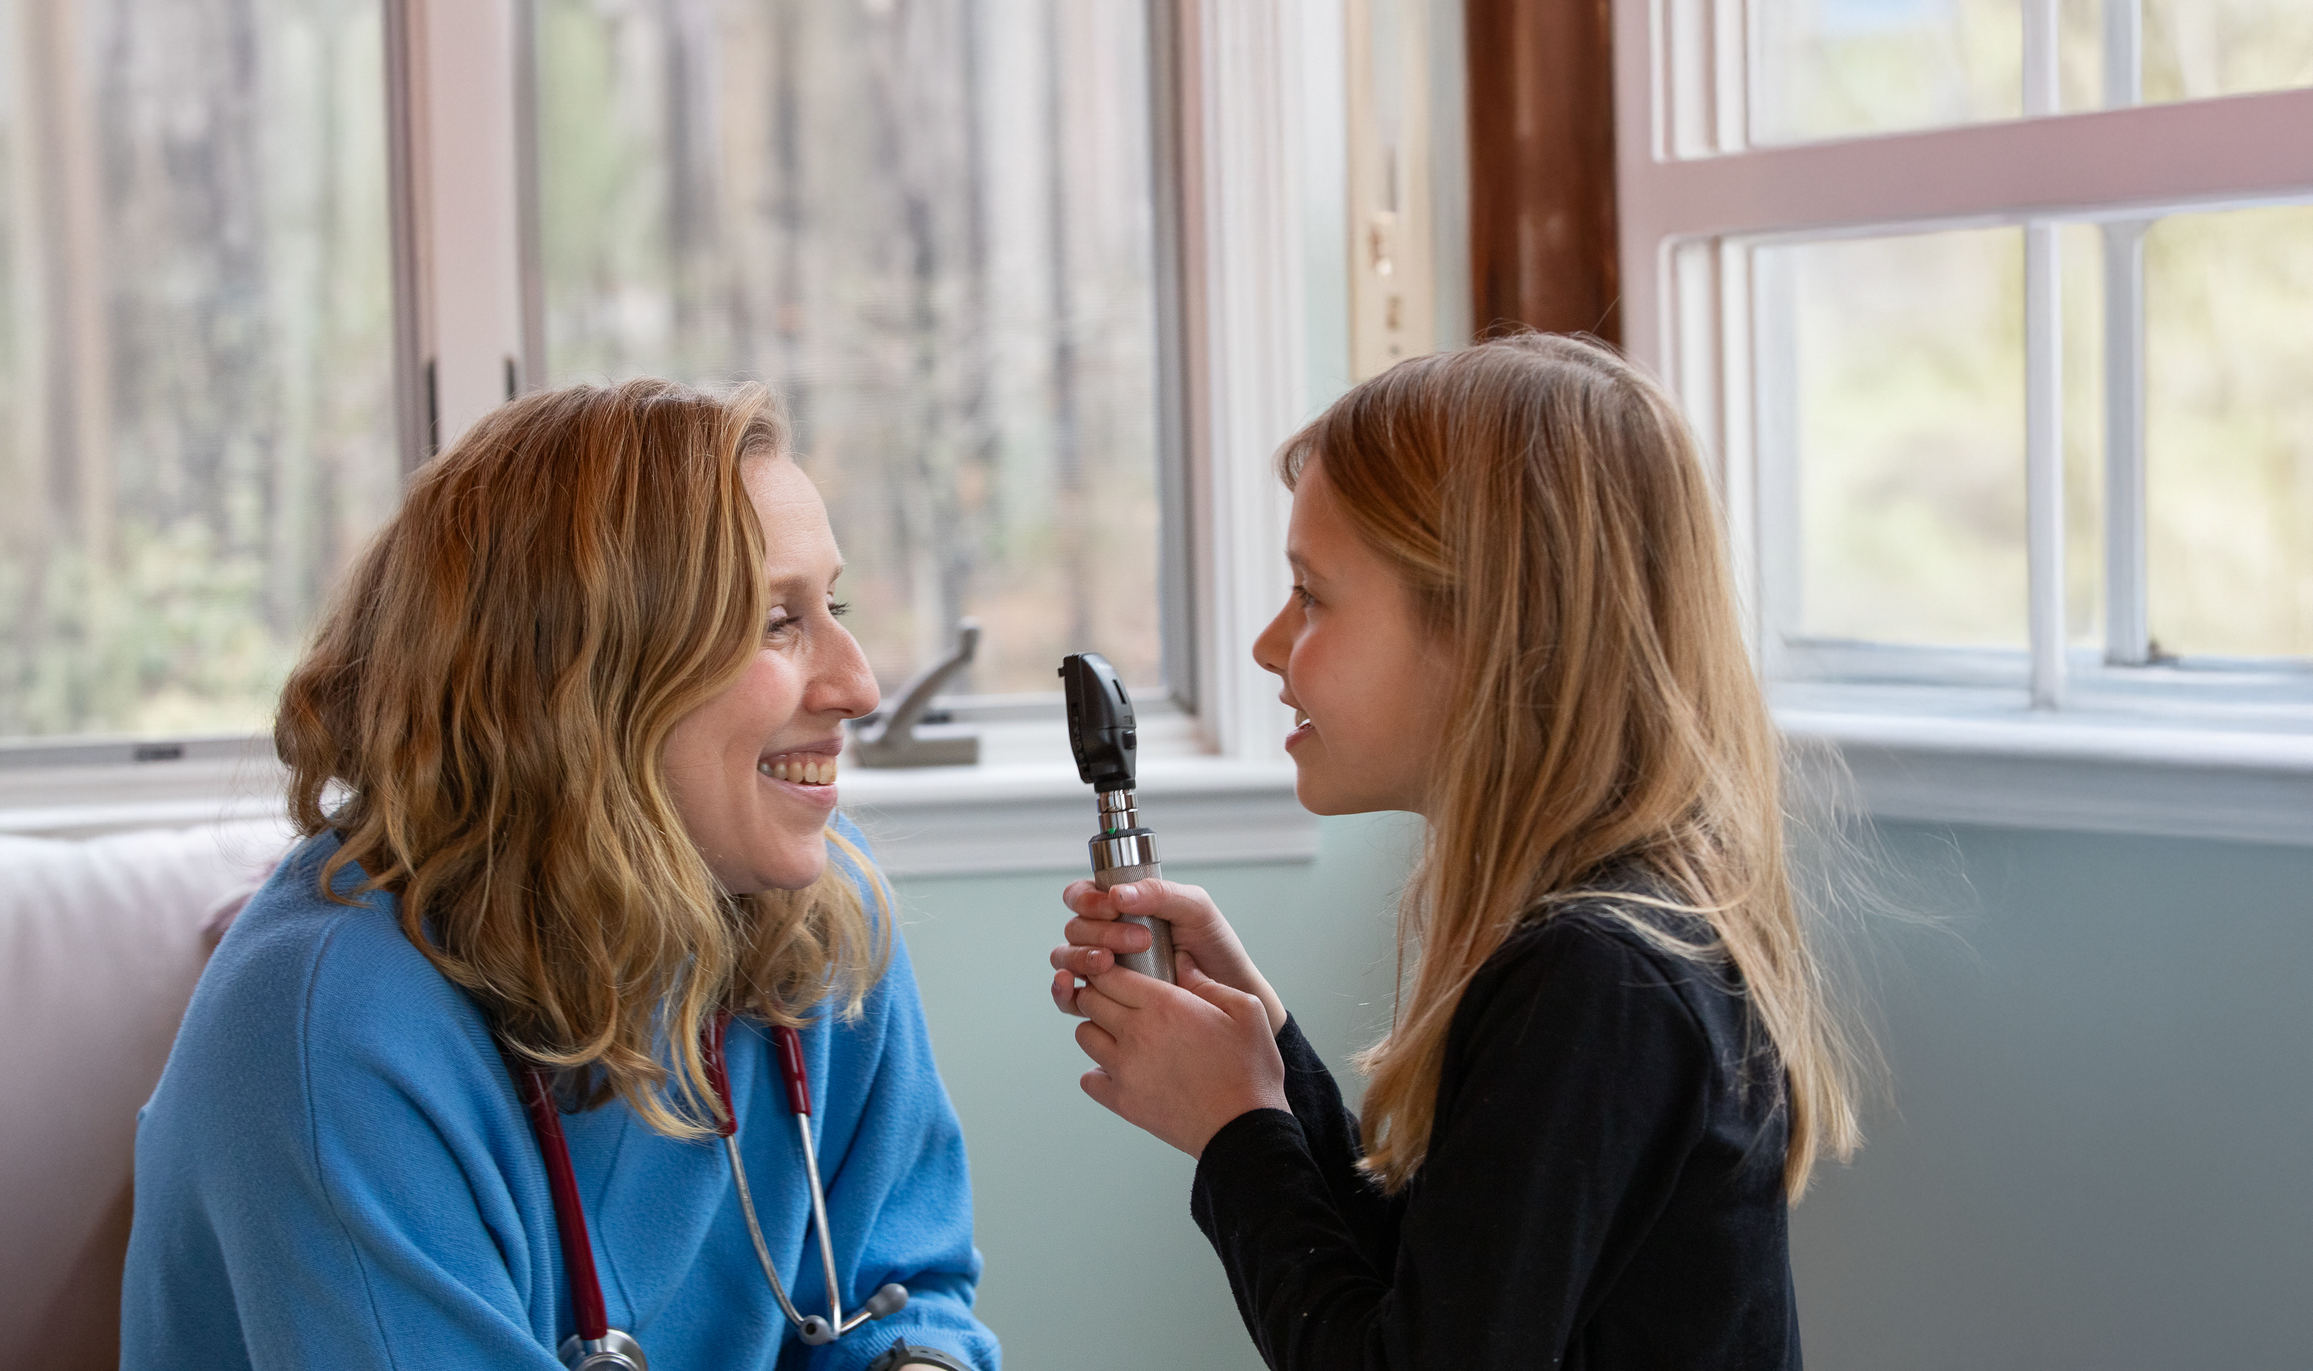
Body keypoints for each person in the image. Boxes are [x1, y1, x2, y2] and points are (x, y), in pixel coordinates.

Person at [125, 380, 996, 1371]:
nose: (858, 686)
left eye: (829, 604)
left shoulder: (812, 910)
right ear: (580, 675)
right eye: (775, 621)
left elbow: (900, 1289)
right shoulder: (331, 1030)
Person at [1048, 334, 1860, 1369]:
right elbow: (1439, 1290)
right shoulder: (1608, 942)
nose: (1265, 644)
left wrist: (1235, 1131)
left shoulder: (1595, 981)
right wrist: (1272, 1055)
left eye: (1311, 596)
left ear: (1480, 630)